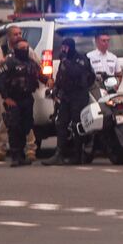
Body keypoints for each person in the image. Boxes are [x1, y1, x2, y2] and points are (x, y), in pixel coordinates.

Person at [0, 25, 40, 165]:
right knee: (5, 120)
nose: (18, 36)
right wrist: (1, 66)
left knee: (26, 122)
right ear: (8, 37)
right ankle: (0, 150)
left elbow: (38, 66)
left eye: (20, 33)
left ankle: (30, 150)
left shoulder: (27, 50)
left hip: (23, 94)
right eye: (15, 34)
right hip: (5, 93)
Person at [48, 37, 94, 165]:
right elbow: (60, 76)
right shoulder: (65, 60)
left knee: (77, 125)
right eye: (62, 47)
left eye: (65, 47)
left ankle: (78, 154)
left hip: (79, 96)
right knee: (61, 124)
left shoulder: (81, 59)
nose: (63, 50)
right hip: (66, 96)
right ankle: (59, 154)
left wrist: (65, 61)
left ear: (71, 47)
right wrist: (56, 89)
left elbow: (75, 72)